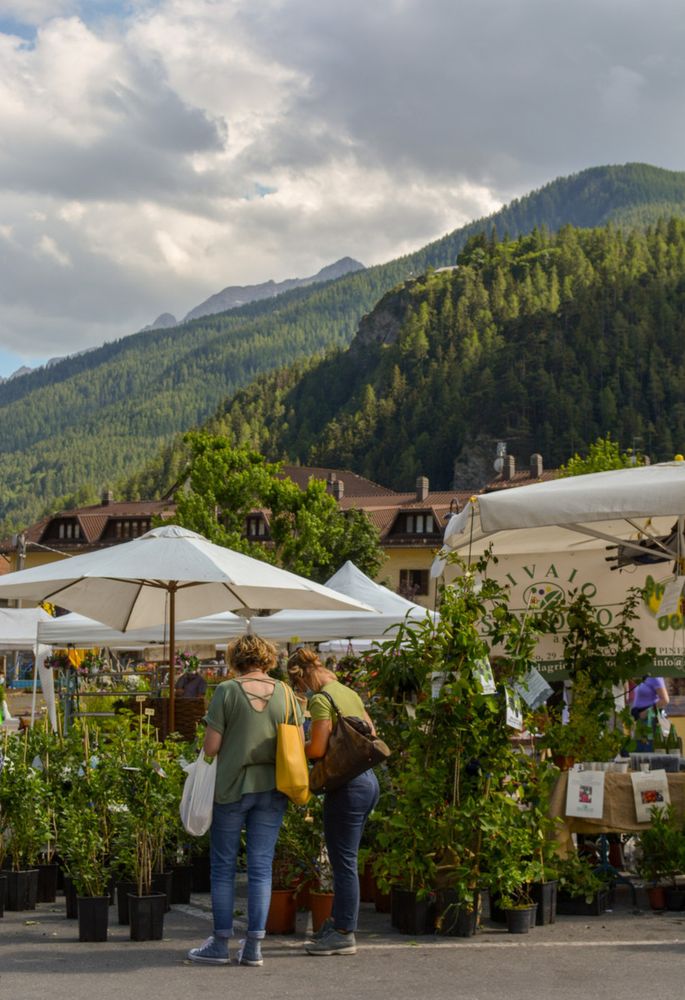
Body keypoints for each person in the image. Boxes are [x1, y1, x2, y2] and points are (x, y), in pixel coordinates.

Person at [188, 634, 301, 967]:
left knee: (223, 868)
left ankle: (220, 944)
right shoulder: (286, 693)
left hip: (232, 788)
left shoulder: (227, 691)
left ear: (235, 658)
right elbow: (297, 740)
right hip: (274, 786)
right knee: (261, 868)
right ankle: (253, 947)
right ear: (268, 657)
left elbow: (211, 747)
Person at [287, 647, 379, 957]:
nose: (303, 692)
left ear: (303, 677)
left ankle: (343, 933)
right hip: (367, 781)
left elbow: (317, 749)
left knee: (344, 863)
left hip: (347, 786)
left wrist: (295, 741)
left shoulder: (321, 698)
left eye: (300, 687)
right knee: (346, 859)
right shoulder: (348, 692)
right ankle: (339, 923)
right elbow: (371, 731)